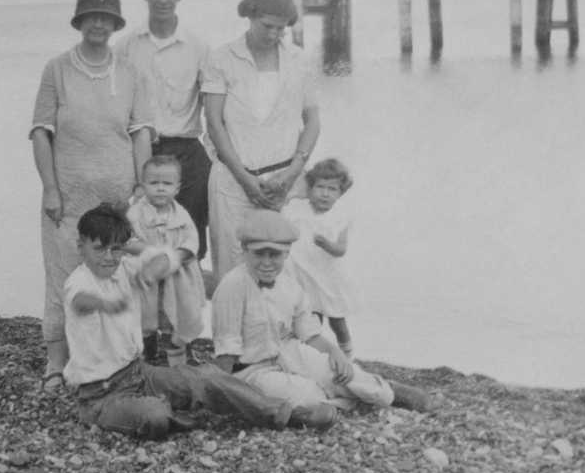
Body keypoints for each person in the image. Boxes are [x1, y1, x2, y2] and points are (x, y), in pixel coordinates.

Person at [62, 204, 339, 439]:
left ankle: (287, 415)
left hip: (138, 373)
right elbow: (80, 301)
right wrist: (106, 303)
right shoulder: (79, 281)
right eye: (100, 249)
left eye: (115, 249)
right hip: (101, 395)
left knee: (207, 375)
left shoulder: (123, 267)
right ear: (80, 247)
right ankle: (170, 410)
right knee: (154, 416)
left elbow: (162, 256)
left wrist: (145, 267)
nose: (108, 258)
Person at [31, 0, 153, 391]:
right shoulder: (57, 69)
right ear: (79, 21)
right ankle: (56, 362)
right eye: (91, 17)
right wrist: (50, 188)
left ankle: (116, 361)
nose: (98, 24)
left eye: (106, 17)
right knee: (62, 276)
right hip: (69, 197)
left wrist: (142, 186)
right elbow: (41, 132)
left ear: (116, 24)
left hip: (117, 199)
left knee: (116, 276)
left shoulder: (130, 71)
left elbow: (140, 131)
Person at [211, 209, 431, 413]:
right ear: (244, 250)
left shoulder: (289, 285)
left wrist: (336, 353)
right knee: (307, 398)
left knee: (339, 373)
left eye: (275, 255)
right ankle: (348, 400)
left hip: (288, 352)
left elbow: (309, 334)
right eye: (259, 254)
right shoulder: (233, 286)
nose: (267, 263)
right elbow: (227, 348)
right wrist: (222, 392)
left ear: (286, 253)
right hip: (252, 369)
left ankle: (387, 392)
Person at [203, 0, 320, 279]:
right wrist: (245, 180)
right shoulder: (221, 58)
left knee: (289, 273)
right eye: (267, 26)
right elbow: (214, 123)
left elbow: (312, 120)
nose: (273, 34)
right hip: (233, 182)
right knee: (233, 270)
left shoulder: (299, 59)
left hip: (286, 182)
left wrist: (292, 173)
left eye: (281, 29)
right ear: (250, 17)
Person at [114, 0, 212, 262]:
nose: (163, 0)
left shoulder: (198, 47)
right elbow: (116, 105)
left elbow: (213, 108)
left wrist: (213, 155)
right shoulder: (126, 46)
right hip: (140, 152)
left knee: (190, 241)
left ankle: (191, 291)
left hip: (187, 154)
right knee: (139, 237)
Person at [124, 154, 207, 365]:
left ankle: (178, 361)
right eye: (154, 183)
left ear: (177, 188)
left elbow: (191, 242)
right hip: (147, 276)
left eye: (167, 184)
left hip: (176, 277)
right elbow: (127, 241)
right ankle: (147, 355)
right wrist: (150, 253)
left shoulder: (181, 214)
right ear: (143, 185)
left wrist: (176, 257)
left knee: (177, 316)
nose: (160, 188)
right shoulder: (135, 214)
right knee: (145, 318)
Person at [281, 158, 359, 356]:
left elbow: (341, 250)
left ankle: (347, 353)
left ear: (341, 192)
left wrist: (327, 245)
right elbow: (283, 222)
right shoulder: (298, 209)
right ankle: (315, 353)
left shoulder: (340, 217)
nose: (325, 193)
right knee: (310, 317)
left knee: (337, 319)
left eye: (332, 189)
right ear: (310, 188)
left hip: (328, 277)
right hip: (303, 274)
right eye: (320, 187)